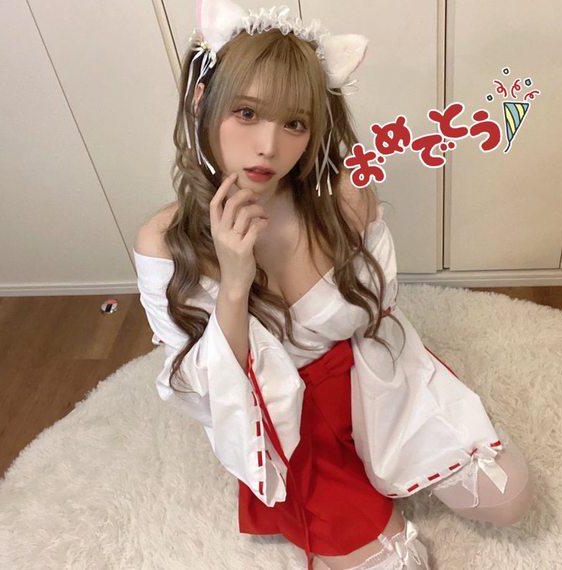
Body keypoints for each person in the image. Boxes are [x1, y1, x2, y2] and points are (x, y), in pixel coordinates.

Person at [133, 1, 535, 569]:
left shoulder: (341, 197)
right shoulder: (164, 241)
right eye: (246, 112)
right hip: (286, 421)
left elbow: (378, 311)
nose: (269, 146)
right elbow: (203, 392)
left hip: (372, 375)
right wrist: (234, 284)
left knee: (508, 498)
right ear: (203, 101)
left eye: (294, 123)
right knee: (401, 564)